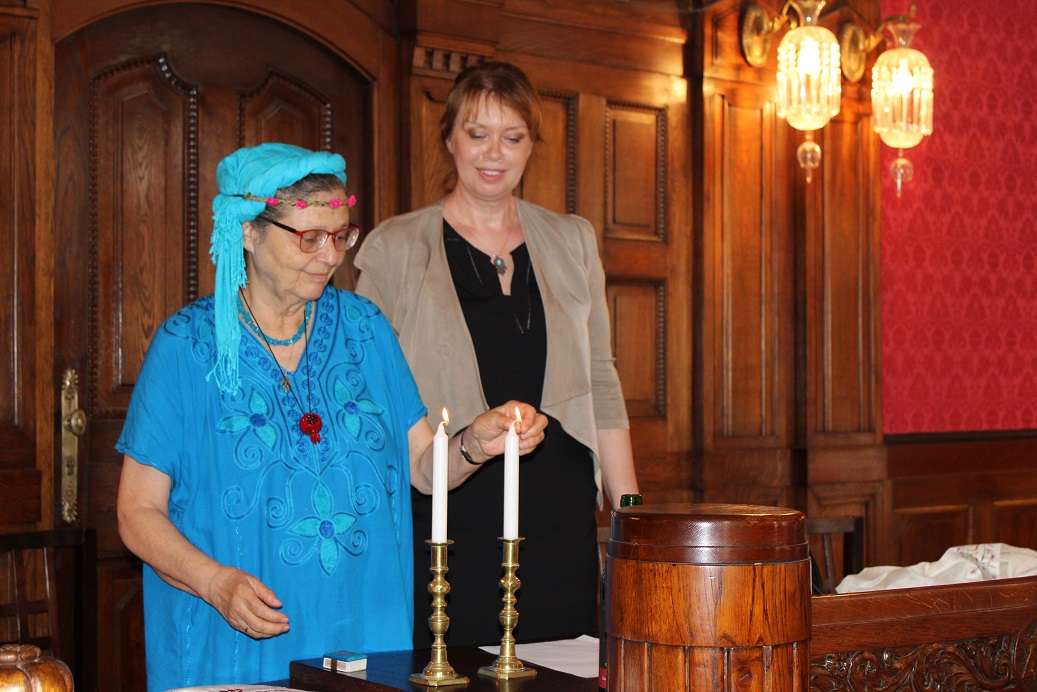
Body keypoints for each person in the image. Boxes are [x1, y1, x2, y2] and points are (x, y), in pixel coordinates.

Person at [115, 142, 547, 691]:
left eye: (341, 236)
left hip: (363, 639)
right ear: (248, 232)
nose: (330, 256)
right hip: (231, 644)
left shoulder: (366, 328)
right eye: (310, 238)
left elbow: (422, 467)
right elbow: (137, 512)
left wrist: (472, 445)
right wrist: (215, 583)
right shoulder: (185, 347)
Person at [354, 61, 640, 648]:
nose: (493, 153)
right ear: (449, 138)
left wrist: (631, 516)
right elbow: (367, 395)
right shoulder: (395, 247)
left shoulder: (573, 239)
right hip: (449, 517)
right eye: (478, 133)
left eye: (512, 137)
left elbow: (602, 380)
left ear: (532, 145)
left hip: (560, 517)